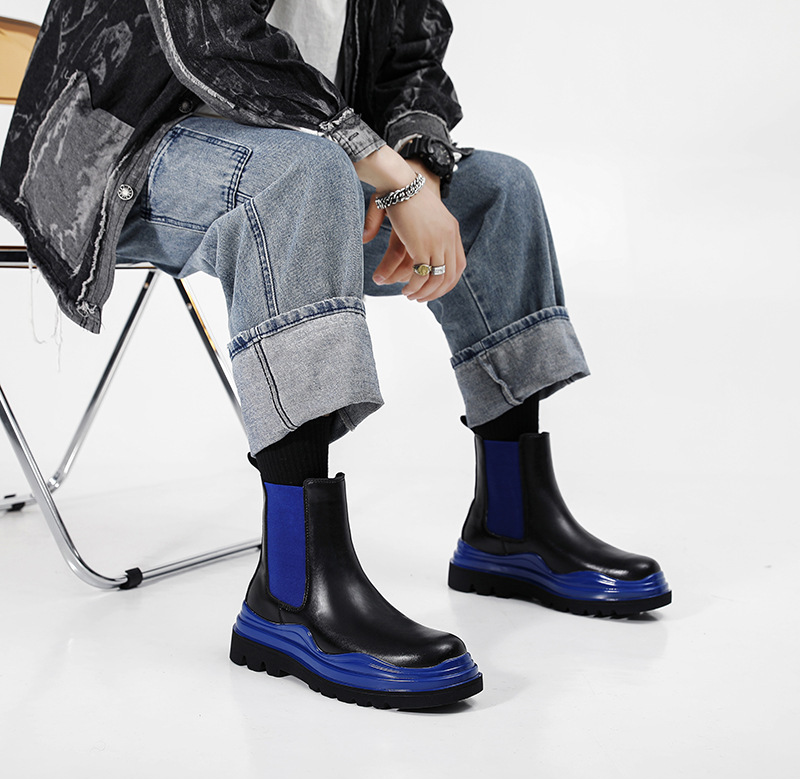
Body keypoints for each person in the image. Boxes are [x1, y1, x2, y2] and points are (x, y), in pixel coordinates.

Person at [0, 0, 671, 710]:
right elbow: (211, 39)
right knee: (302, 176)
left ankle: (513, 527)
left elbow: (412, 50)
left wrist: (418, 164)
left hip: (302, 145)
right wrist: (385, 171)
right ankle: (292, 590)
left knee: (499, 189)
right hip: (118, 151)